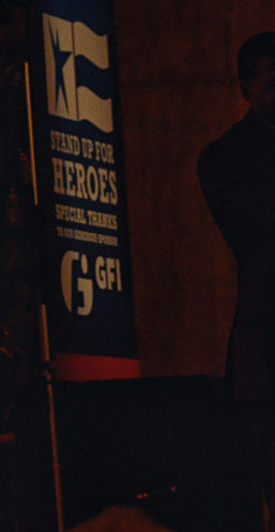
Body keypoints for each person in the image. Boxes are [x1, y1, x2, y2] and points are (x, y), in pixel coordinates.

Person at [198, 32, 275, 531]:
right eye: (272, 85)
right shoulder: (224, 158)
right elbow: (255, 234)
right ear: (246, 88)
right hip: (266, 342)